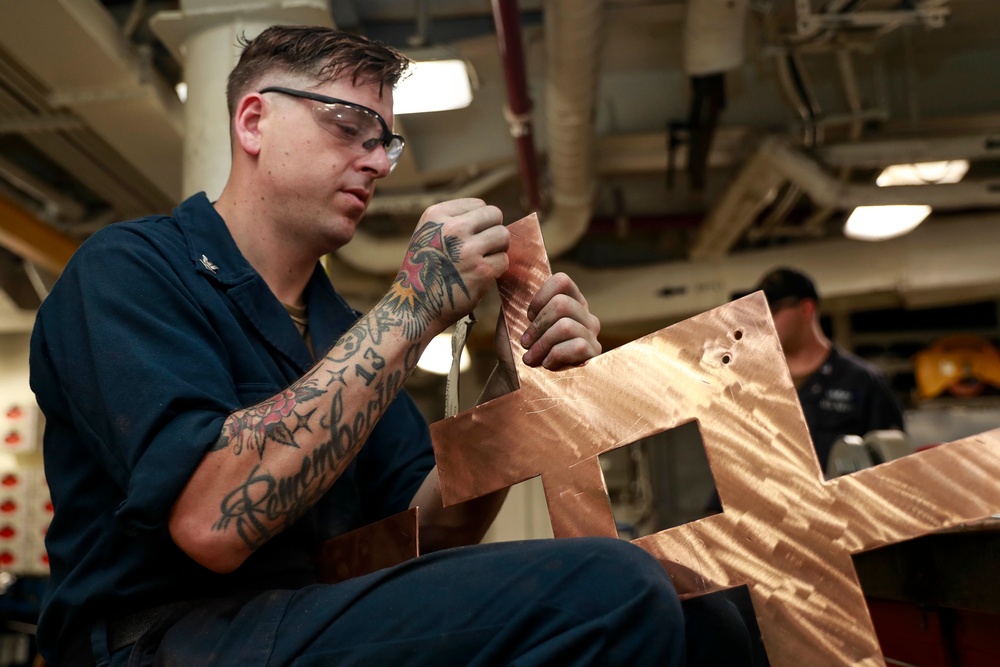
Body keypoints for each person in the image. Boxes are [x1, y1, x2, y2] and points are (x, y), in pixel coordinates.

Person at [29, 25, 751, 667]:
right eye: (349, 127)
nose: (376, 161)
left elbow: (429, 530)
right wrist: (410, 309)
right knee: (610, 590)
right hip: (162, 638)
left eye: (386, 142)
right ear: (254, 122)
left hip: (309, 617)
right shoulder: (132, 270)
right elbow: (211, 521)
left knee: (695, 602)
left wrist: (515, 380)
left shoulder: (342, 330)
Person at [754, 267, 906, 473]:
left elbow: (896, 464)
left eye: (772, 310)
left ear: (806, 308)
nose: (763, 319)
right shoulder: (756, 386)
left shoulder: (862, 381)